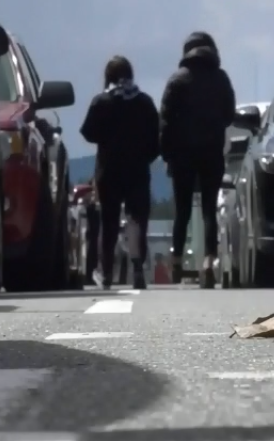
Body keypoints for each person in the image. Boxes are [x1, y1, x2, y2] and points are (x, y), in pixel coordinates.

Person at [159, 31, 236, 289]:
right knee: (209, 209)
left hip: (182, 154)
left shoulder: (177, 80)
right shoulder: (221, 78)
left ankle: (177, 262)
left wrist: (167, 153)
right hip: (212, 151)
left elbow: (166, 121)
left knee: (181, 210)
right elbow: (229, 114)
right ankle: (208, 262)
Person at [80, 55, 160, 291]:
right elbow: (157, 140)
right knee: (136, 220)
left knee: (109, 221)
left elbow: (88, 132)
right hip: (137, 170)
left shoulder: (101, 102)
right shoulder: (144, 103)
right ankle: (137, 267)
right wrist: (145, 156)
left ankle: (105, 272)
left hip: (108, 169)